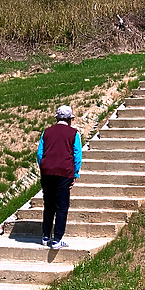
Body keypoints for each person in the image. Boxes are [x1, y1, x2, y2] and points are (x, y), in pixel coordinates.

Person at [36, 105, 82, 249]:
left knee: (49, 204)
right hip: (64, 172)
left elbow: (39, 154)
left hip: (47, 172)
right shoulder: (74, 134)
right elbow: (77, 155)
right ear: (70, 119)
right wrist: (75, 174)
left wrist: (43, 167)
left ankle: (45, 236)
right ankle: (57, 239)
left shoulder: (47, 132)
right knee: (62, 206)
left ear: (57, 118)